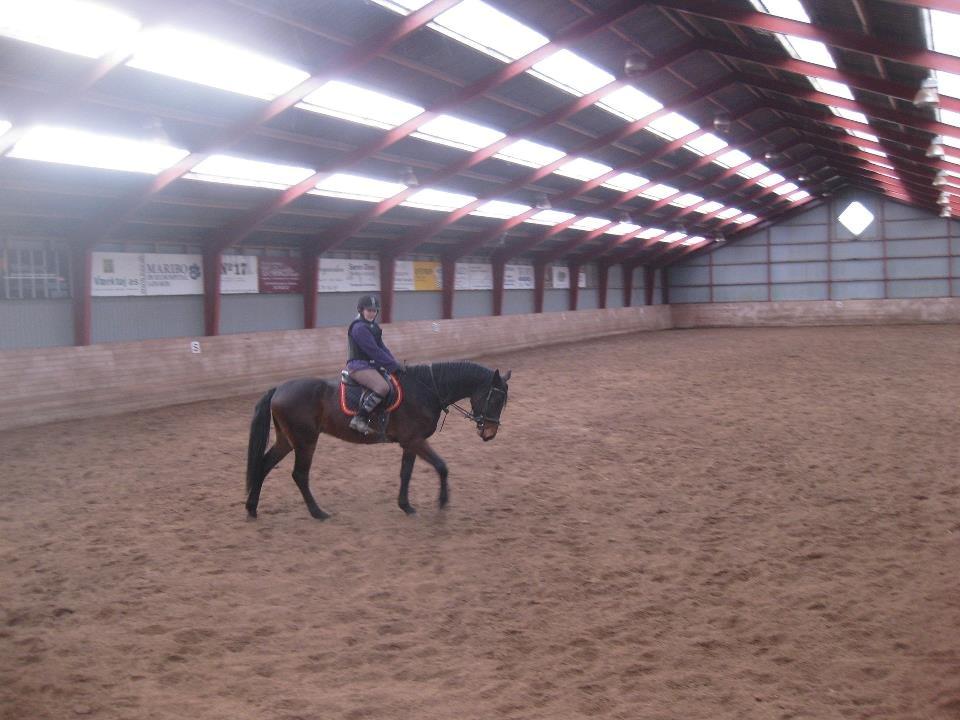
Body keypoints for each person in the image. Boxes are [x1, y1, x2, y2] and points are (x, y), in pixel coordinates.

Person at [345, 295, 402, 434]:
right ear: (361, 310)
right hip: (358, 366)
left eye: (375, 310)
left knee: (393, 384)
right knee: (382, 387)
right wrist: (392, 367)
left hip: (371, 365)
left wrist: (394, 362)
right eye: (369, 310)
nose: (372, 313)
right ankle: (359, 418)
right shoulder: (359, 328)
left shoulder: (373, 327)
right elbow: (374, 351)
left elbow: (382, 348)